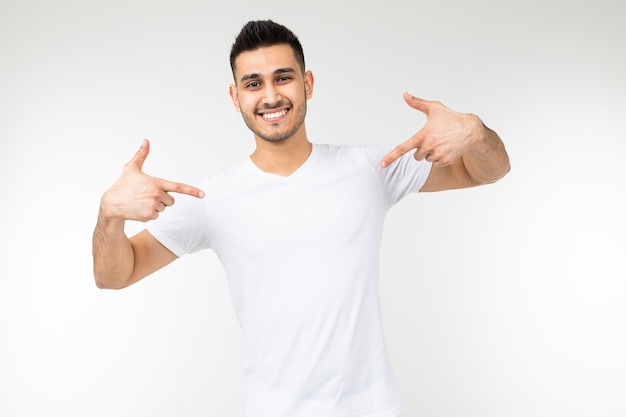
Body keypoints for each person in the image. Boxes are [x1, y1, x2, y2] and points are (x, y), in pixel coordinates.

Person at [92, 20, 510, 417]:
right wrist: (109, 215)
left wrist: (476, 132)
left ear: (307, 83)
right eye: (253, 84)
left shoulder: (370, 169)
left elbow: (486, 170)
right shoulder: (212, 198)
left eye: (283, 77)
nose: (271, 95)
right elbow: (115, 274)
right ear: (236, 97)